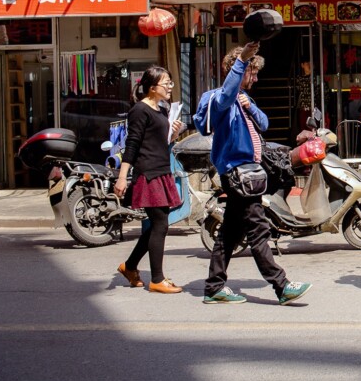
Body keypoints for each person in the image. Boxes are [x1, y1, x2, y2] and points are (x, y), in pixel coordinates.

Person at [202, 43, 311, 304]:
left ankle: (214, 287)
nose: (256, 79)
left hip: (250, 173)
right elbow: (225, 97)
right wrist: (242, 60)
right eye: (252, 72)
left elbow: (264, 123)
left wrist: (249, 107)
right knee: (258, 229)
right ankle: (281, 286)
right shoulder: (217, 98)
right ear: (239, 71)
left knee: (230, 232)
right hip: (237, 174)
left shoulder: (245, 99)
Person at [114, 66, 185, 293]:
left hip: (162, 170)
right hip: (148, 173)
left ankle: (130, 266)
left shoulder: (162, 109)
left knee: (157, 224)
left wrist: (174, 133)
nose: (170, 87)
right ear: (152, 87)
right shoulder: (139, 110)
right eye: (166, 83)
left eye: (170, 83)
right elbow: (132, 144)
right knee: (160, 224)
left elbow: (160, 142)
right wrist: (122, 177)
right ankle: (157, 279)